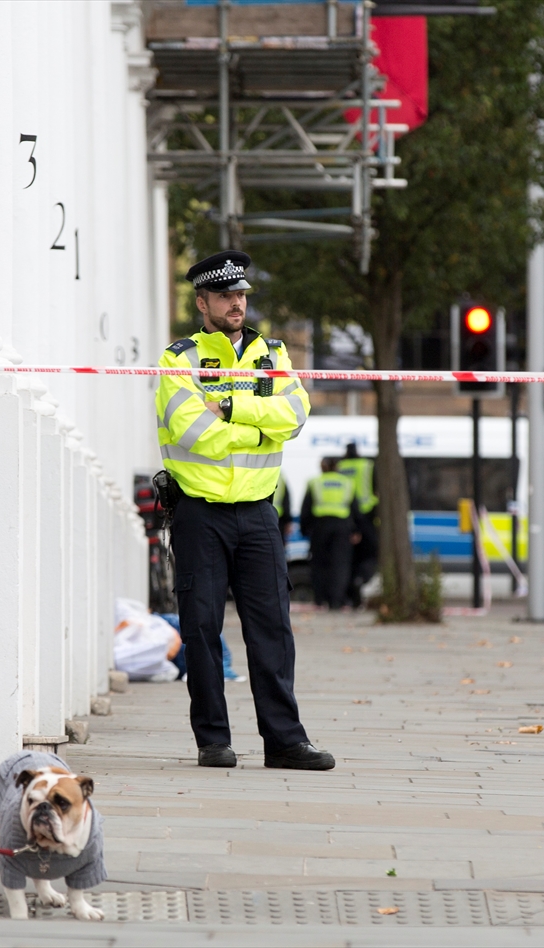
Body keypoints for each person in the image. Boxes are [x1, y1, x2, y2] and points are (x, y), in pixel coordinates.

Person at [155, 250, 333, 771]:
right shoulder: (178, 359)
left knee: (272, 628)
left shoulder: (272, 354)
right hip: (199, 512)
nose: (237, 303)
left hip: (258, 512)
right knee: (202, 627)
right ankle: (213, 741)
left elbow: (296, 414)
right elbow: (192, 431)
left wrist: (231, 407)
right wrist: (262, 423)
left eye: (241, 295)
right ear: (202, 302)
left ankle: (285, 742)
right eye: (226, 296)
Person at [301, 458, 365, 610]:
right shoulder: (347, 483)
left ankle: (319, 600)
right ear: (337, 467)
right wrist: (357, 530)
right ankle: (336, 601)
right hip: (342, 528)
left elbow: (306, 508)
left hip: (320, 527)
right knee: (340, 566)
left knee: (319, 564)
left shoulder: (315, 482)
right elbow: (355, 509)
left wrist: (305, 529)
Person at [336, 443, 378, 607]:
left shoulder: (340, 467)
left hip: (346, 519)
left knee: (348, 561)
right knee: (369, 556)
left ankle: (349, 595)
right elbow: (376, 489)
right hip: (367, 518)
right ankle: (360, 582)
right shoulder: (367, 465)